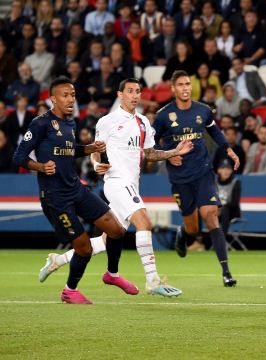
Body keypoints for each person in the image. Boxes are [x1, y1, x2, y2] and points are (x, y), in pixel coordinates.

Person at [38, 78, 194, 296]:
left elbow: (149, 154)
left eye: (138, 91)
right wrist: (95, 163)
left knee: (106, 239)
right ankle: (153, 281)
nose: (135, 95)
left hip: (132, 185)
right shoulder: (107, 121)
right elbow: (95, 149)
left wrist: (174, 152)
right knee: (145, 223)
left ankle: (59, 259)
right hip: (116, 182)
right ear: (120, 95)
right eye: (130, 91)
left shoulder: (143, 123)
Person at [12, 77, 135, 304]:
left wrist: (89, 149)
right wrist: (40, 166)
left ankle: (112, 275)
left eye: (73, 95)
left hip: (76, 189)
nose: (71, 99)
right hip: (55, 197)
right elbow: (18, 157)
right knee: (85, 248)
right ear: (53, 99)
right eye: (65, 95)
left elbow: (68, 150)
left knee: (117, 230)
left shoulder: (70, 123)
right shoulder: (40, 124)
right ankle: (70, 290)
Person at [153, 70, 240, 287]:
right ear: (173, 88)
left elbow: (215, 132)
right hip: (180, 178)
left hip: (203, 172)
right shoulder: (163, 115)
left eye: (188, 84)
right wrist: (169, 156)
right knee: (193, 228)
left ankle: (226, 272)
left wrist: (228, 150)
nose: (185, 88)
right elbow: (151, 146)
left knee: (211, 215)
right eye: (181, 84)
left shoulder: (203, 110)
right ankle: (184, 233)